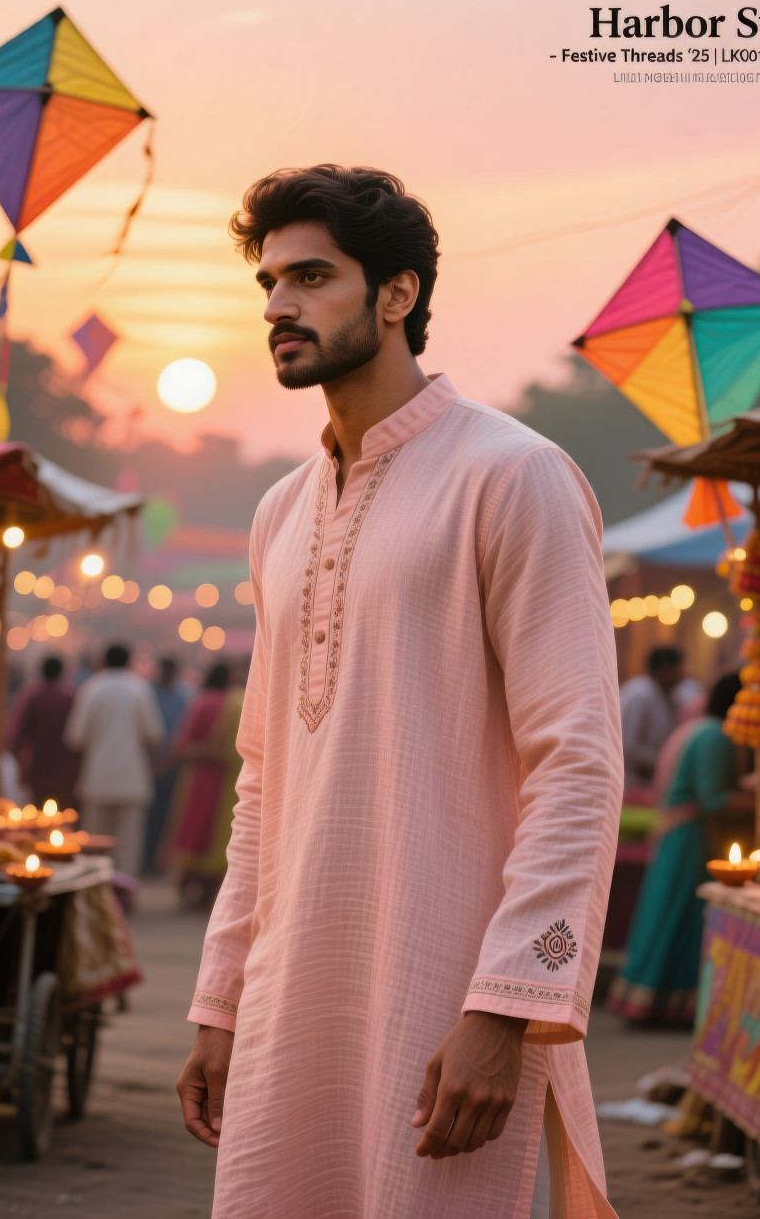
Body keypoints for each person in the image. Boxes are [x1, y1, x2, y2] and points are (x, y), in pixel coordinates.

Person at [175, 165, 623, 1219]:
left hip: (447, 1006)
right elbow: (262, 780)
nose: (279, 305)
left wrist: (510, 1002)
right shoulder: (280, 514)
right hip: (294, 999)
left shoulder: (515, 476)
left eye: (312, 276)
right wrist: (219, 999)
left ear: (398, 294)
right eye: (269, 281)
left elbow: (579, 761)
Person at [608, 673, 747, 1024]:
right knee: (682, 916)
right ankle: (672, 1004)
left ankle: (654, 1000)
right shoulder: (715, 735)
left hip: (678, 834)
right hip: (689, 838)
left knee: (668, 913)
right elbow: (713, 798)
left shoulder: (697, 729)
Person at [64, 644, 165, 878]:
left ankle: (95, 890)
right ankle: (124, 893)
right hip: (132, 778)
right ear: (129, 661)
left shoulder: (91, 688)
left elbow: (75, 737)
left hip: (97, 777)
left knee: (95, 840)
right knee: (128, 843)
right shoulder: (139, 688)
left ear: (103, 661)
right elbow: (154, 734)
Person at [163, 661, 246, 909]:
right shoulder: (236, 702)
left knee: (195, 831)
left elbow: (184, 742)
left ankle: (189, 891)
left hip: (200, 777)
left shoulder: (204, 701)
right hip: (228, 779)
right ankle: (210, 894)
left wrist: (165, 766)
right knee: (218, 835)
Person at [144, 657, 194, 874]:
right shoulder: (147, 692)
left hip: (173, 764)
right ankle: (146, 859)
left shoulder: (185, 695)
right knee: (149, 815)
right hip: (149, 763)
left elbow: (185, 731)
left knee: (169, 815)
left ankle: (160, 863)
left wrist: (168, 761)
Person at [8, 656, 80, 809]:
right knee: (63, 816)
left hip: (38, 765)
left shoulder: (32, 696)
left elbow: (17, 733)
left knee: (37, 814)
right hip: (65, 769)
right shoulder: (71, 697)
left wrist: (19, 764)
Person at [618, 646, 684, 789]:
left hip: (647, 784)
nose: (682, 675)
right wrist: (663, 763)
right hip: (629, 783)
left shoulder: (665, 695)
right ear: (665, 670)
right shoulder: (640, 694)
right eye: (678, 669)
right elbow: (627, 745)